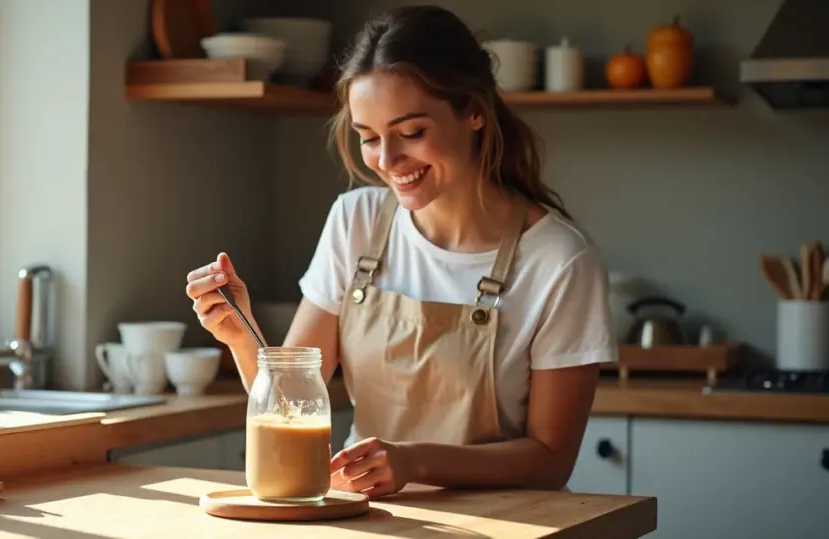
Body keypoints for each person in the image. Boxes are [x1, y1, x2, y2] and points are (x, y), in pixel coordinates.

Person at [185, 5, 616, 499]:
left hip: (505, 523)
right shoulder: (356, 222)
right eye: (369, 138)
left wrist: (414, 460)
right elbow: (291, 398)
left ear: (475, 111)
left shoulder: (560, 259)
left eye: (412, 133)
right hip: (365, 517)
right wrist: (242, 336)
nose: (387, 162)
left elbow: (550, 459)